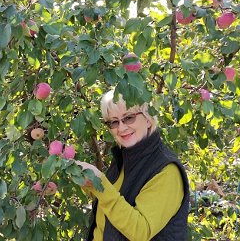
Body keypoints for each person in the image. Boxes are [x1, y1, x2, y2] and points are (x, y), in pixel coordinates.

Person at [76, 89, 190, 241]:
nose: (121, 128)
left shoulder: (166, 170)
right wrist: (88, 182)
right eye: (114, 122)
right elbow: (111, 208)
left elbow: (140, 231)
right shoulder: (125, 158)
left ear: (149, 119)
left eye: (128, 118)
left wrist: (101, 185)